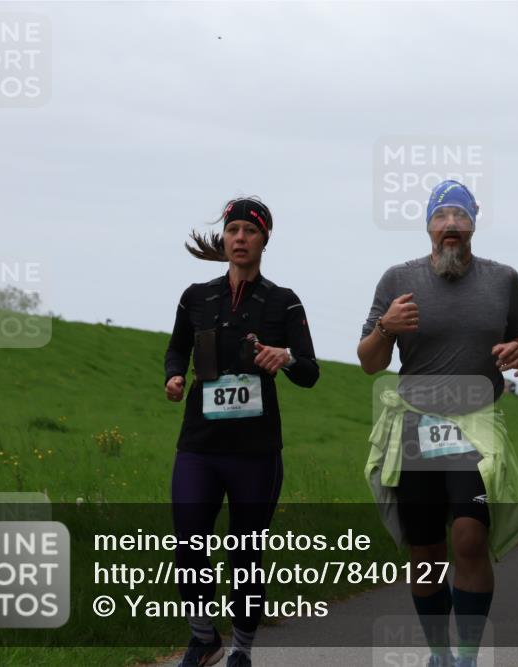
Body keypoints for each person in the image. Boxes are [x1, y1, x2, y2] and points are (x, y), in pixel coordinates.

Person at [358, 180, 518, 667]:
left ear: (473, 226)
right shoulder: (398, 280)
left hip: (475, 423)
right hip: (416, 426)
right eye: (442, 218)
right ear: (429, 227)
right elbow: (370, 363)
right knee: (426, 553)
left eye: (460, 218)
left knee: (470, 535)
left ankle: (467, 654)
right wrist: (385, 328)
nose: (451, 227)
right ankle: (438, 652)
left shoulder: (504, 280)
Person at [165, 197, 320, 667]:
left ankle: (242, 650)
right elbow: (176, 350)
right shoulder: (196, 296)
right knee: (188, 538)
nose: (239, 238)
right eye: (232, 230)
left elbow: (310, 371)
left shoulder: (283, 301)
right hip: (199, 444)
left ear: (264, 239)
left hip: (254, 451)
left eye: (249, 231)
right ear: (225, 238)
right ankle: (203, 637)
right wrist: (173, 377)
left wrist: (285, 357)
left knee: (244, 552)